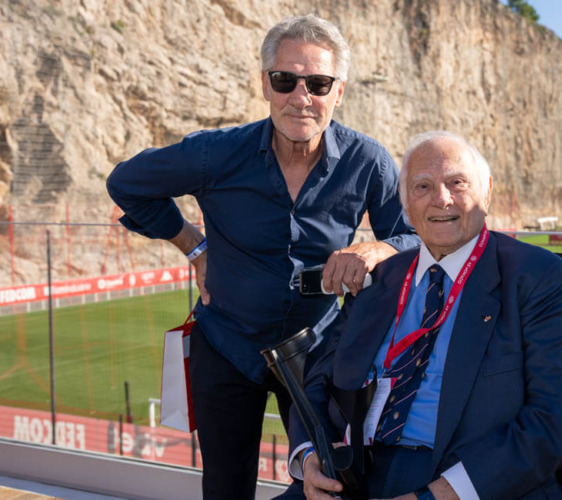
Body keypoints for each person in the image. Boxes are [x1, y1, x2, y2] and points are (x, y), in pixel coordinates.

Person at [106, 14, 418, 500]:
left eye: (318, 83)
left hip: (317, 355)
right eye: (285, 80)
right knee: (226, 488)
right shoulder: (216, 152)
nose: (301, 96)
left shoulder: (368, 160)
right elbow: (126, 183)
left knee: (332, 483)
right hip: (226, 346)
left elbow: (415, 239)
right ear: (265, 86)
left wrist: (376, 248)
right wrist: (194, 244)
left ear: (339, 92)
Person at [283, 131, 562, 499]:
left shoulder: (535, 277)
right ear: (406, 206)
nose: (441, 199)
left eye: (456, 183)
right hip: (353, 473)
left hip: (463, 476)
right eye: (423, 186)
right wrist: (309, 458)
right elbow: (319, 383)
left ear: (487, 191)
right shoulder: (377, 278)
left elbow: (559, 419)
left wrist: (441, 495)